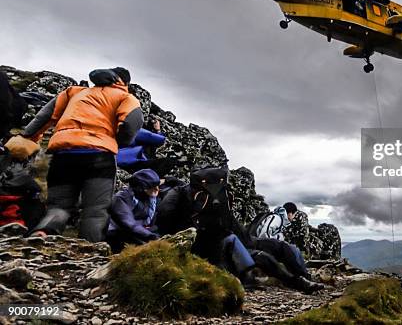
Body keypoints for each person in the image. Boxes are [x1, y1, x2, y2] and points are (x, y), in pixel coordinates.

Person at [23, 67, 143, 242]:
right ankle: (90, 249)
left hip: (63, 154)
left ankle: (43, 233)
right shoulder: (125, 97)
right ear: (124, 82)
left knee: (58, 206)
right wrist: (119, 141)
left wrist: (28, 137)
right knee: (95, 210)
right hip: (99, 156)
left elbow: (44, 116)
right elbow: (132, 124)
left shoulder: (74, 92)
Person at [157, 166, 322, 293]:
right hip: (209, 245)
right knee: (262, 257)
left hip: (232, 238)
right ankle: (298, 282)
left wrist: (248, 241)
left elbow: (231, 223)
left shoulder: (212, 198)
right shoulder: (180, 196)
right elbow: (165, 221)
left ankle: (304, 277)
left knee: (282, 247)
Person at [106, 169, 160, 253]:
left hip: (139, 232)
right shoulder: (121, 199)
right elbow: (129, 225)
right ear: (141, 188)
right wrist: (152, 237)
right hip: (118, 234)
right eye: (152, 187)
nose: (157, 189)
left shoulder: (148, 197)